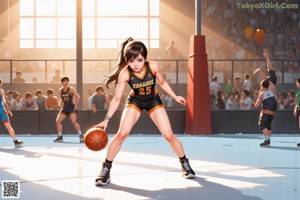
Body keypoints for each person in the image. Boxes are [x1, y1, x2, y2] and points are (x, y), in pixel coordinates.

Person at [94, 37, 195, 186]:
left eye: (139, 60)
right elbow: (116, 99)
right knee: (121, 134)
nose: (135, 64)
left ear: (146, 58)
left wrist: (174, 96)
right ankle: (106, 170)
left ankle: (184, 162)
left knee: (168, 135)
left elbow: (162, 83)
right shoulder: (125, 74)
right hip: (135, 101)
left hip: (153, 100)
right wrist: (107, 119)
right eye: (131, 61)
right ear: (127, 60)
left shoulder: (153, 67)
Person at [54, 76, 83, 143]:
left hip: (71, 107)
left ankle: (81, 136)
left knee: (73, 121)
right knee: (57, 121)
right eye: (64, 81)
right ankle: (60, 136)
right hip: (65, 107)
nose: (66, 82)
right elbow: (61, 99)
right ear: (62, 82)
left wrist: (76, 105)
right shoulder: (60, 90)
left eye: (67, 81)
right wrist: (59, 104)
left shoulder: (71, 89)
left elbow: (78, 97)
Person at [0, 79, 23, 147]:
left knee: (9, 126)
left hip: (2, 110)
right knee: (9, 127)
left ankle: (15, 141)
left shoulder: (1, 91)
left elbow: (4, 101)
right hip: (2, 110)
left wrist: (8, 110)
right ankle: (15, 141)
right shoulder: (1, 91)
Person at [255, 79, 277, 147]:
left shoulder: (261, 94)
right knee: (268, 125)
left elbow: (256, 105)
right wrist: (270, 81)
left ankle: (267, 140)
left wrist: (257, 99)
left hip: (267, 110)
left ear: (262, 86)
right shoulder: (272, 91)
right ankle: (267, 139)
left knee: (263, 124)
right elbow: (273, 86)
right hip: (273, 112)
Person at [293, 78, 300, 147]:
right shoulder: (298, 92)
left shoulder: (299, 92)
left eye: (297, 82)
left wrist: (295, 109)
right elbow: (297, 102)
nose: (296, 84)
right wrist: (295, 109)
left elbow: (297, 102)